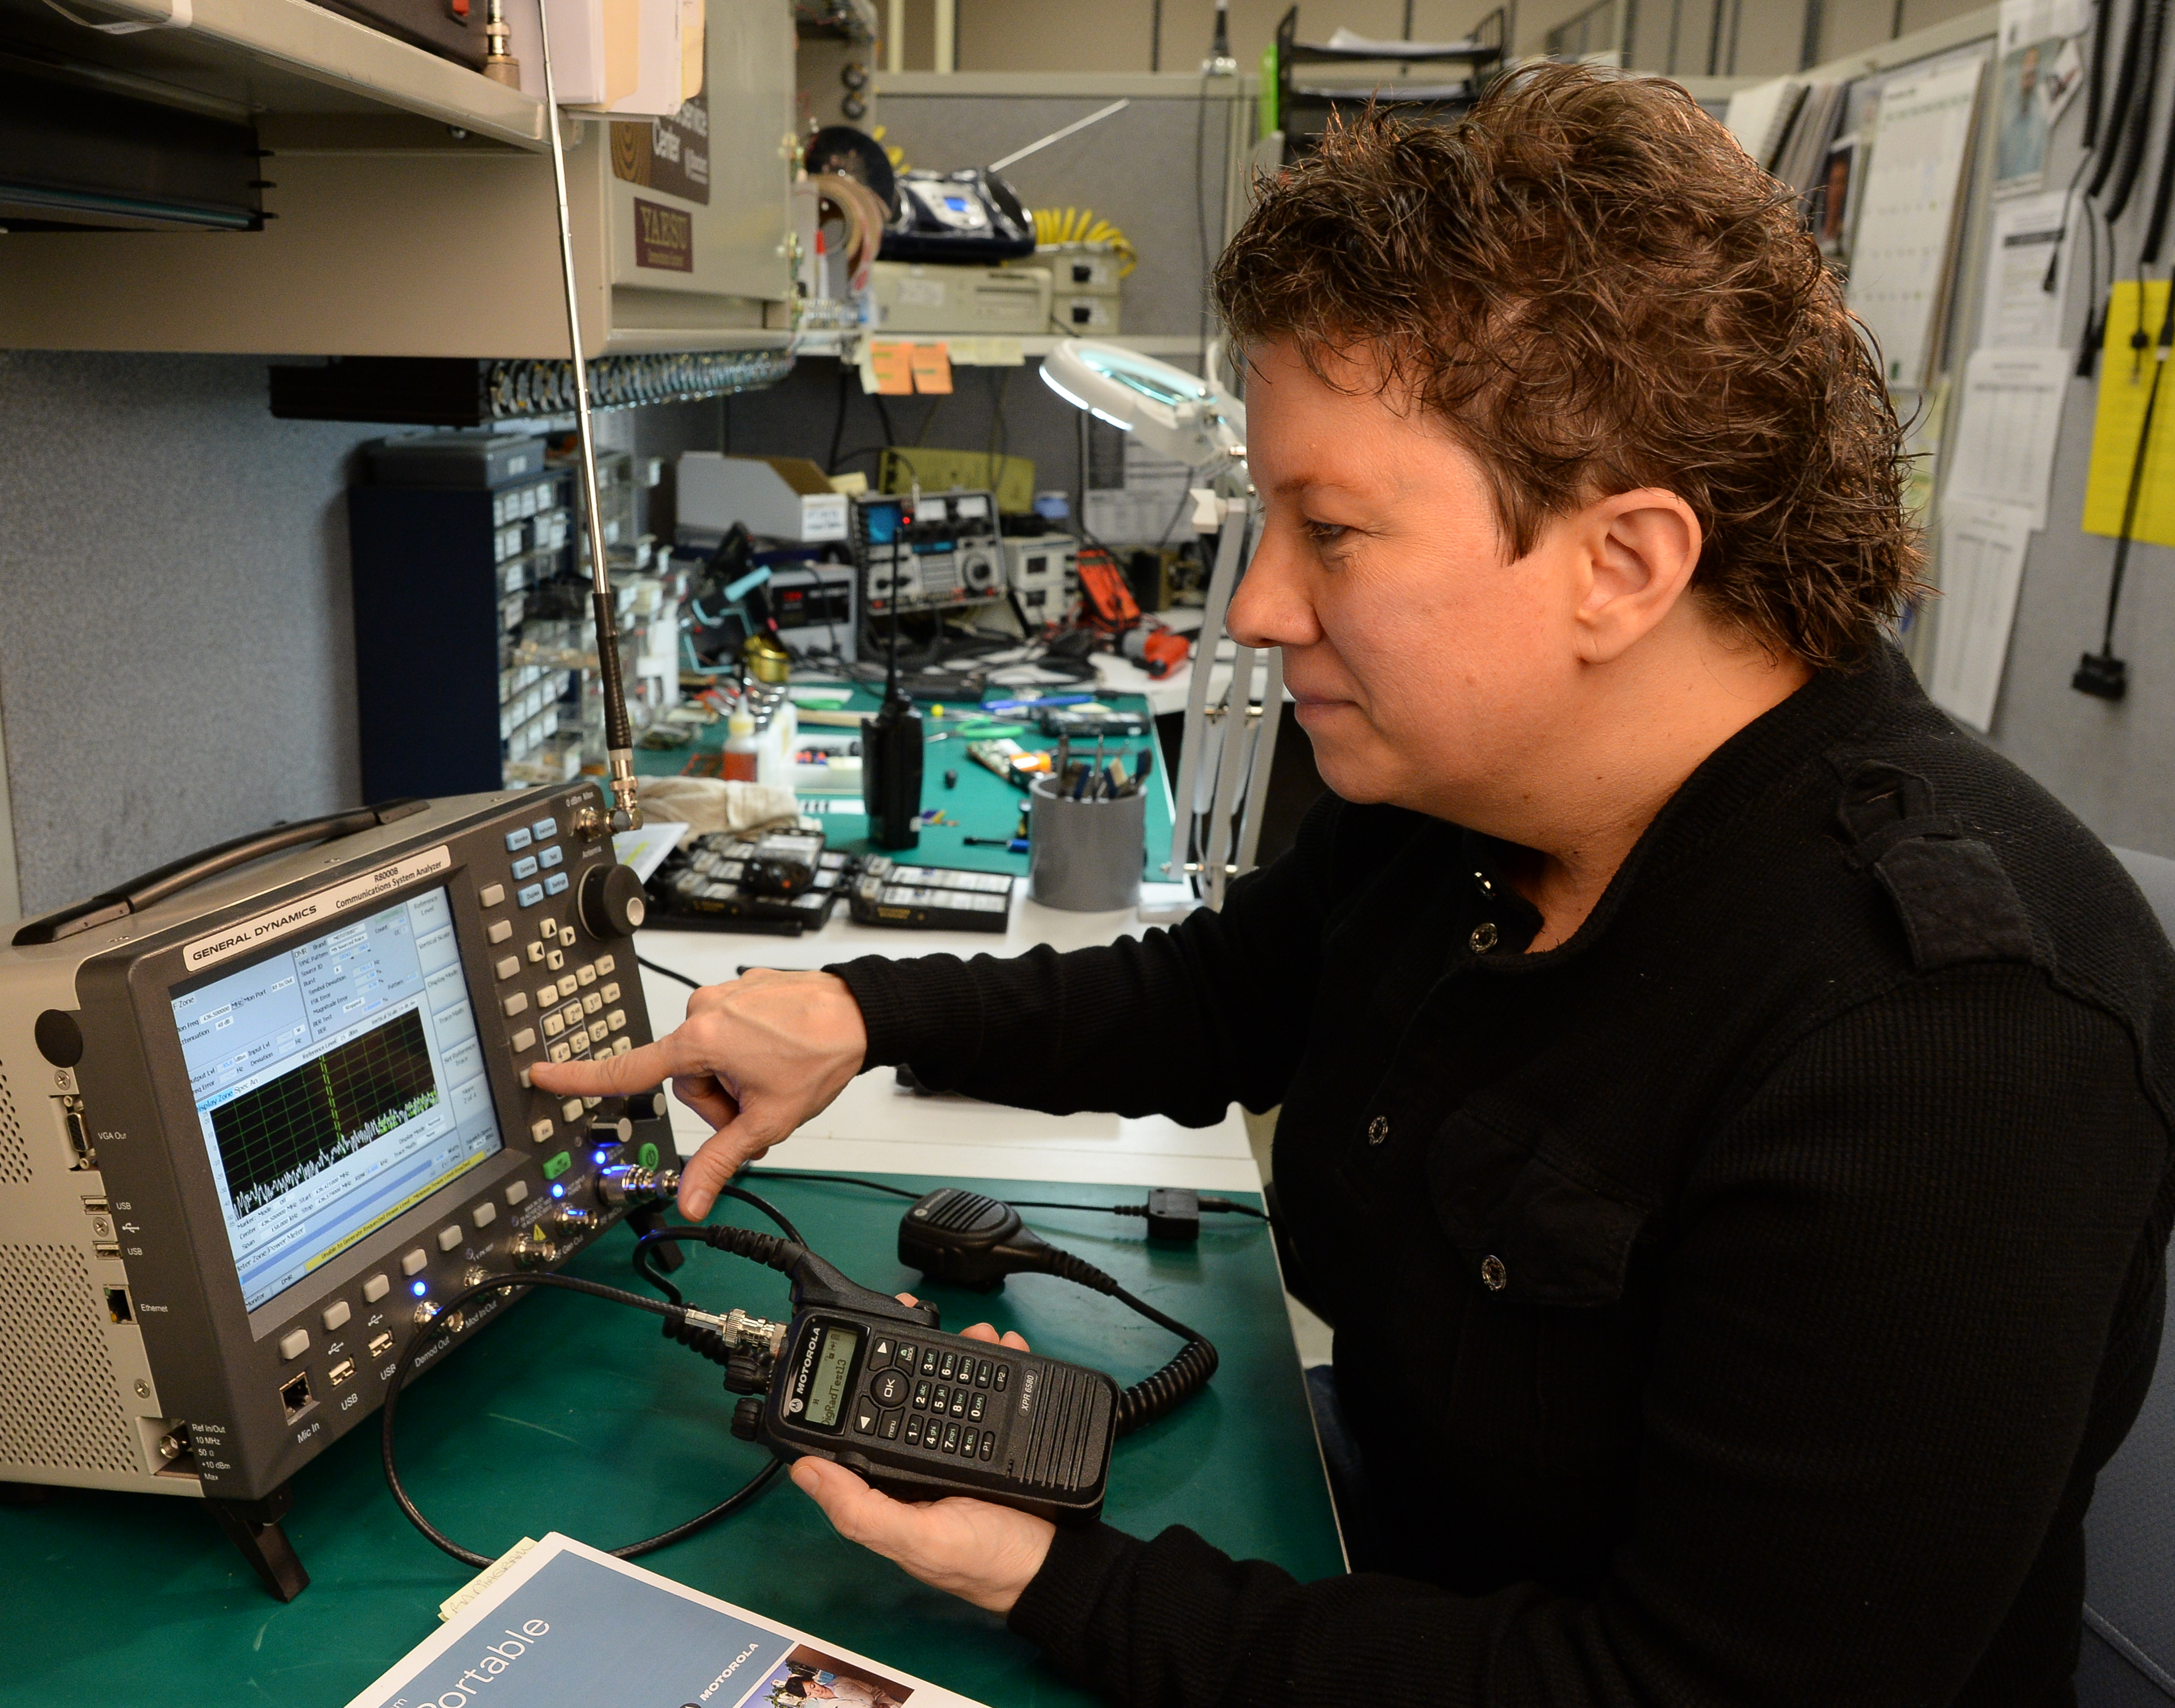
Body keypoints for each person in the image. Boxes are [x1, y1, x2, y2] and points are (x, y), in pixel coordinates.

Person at [536, 65, 2175, 1708]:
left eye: (1331, 533)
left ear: (1625, 562)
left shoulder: (1952, 1038)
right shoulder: (1472, 795)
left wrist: (1061, 1580)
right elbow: (1220, 997)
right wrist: (856, 1012)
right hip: (1387, 1562)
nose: (1256, 608)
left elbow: (1679, 1692)